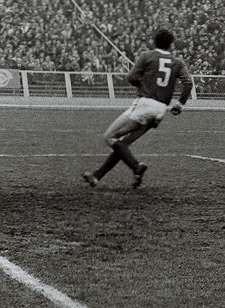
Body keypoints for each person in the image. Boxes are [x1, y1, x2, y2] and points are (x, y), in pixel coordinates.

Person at [82, 29, 193, 189]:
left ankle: (136, 167)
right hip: (161, 110)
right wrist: (180, 103)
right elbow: (188, 83)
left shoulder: (147, 56)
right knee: (123, 146)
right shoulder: (178, 62)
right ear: (170, 44)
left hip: (145, 104)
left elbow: (131, 77)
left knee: (109, 137)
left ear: (154, 42)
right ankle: (97, 176)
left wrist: (144, 83)